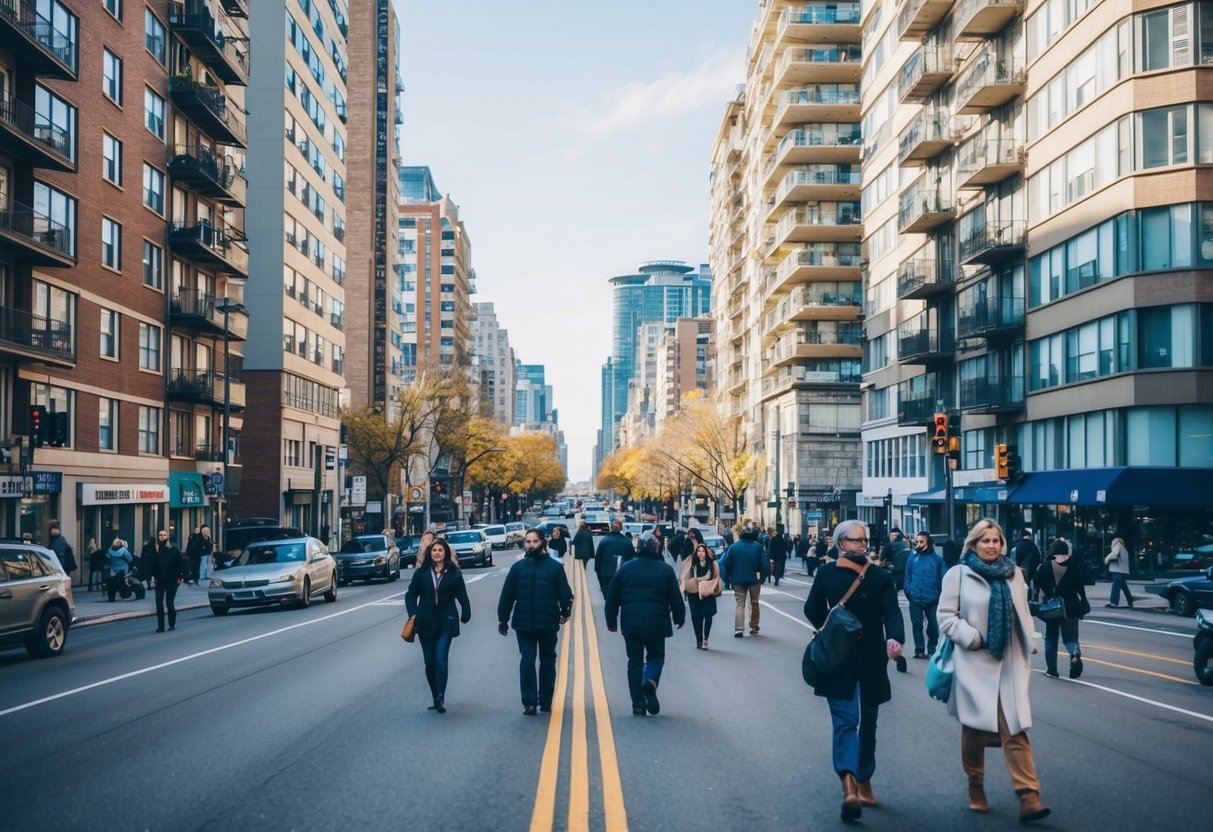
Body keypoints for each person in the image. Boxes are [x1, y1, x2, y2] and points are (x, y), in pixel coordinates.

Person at [938, 518, 1050, 823]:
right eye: (985, 540)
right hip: (974, 663)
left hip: (1010, 662)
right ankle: (975, 785)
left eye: (996, 540)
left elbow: (1024, 613)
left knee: (1016, 729)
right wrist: (971, 637)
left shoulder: (1014, 574)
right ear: (974, 544)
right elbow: (946, 617)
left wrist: (1032, 640)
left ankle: (1028, 795)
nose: (991, 545)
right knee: (974, 730)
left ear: (1002, 544)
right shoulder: (959, 574)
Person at [804, 520, 905, 821]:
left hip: (872, 659)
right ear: (840, 543)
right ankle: (849, 784)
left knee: (869, 723)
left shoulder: (880, 576)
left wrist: (895, 637)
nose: (862, 545)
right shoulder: (826, 573)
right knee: (846, 721)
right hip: (839, 660)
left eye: (864, 540)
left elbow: (892, 611)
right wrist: (832, 630)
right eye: (855, 540)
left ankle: (864, 778)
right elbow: (812, 609)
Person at [604, 529, 686, 716]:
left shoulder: (625, 569)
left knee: (634, 661)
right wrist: (679, 617)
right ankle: (650, 680)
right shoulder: (665, 570)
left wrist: (611, 620)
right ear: (657, 549)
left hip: (631, 623)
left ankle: (638, 704)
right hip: (657, 622)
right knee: (656, 656)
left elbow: (612, 597)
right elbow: (675, 597)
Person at [497, 528, 573, 715]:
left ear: (543, 543)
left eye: (535, 541)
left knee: (546, 659)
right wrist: (503, 619)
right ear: (524, 544)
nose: (531, 545)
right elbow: (507, 595)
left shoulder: (554, 568)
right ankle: (530, 702)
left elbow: (564, 593)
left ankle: (544, 701)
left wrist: (565, 611)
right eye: (528, 542)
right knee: (529, 659)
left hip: (547, 621)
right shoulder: (518, 568)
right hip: (525, 623)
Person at [405, 537, 471, 713]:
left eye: (440, 550)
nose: (437, 553)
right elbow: (410, 594)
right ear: (430, 553)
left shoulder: (454, 573)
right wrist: (413, 613)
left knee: (441, 659)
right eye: (434, 550)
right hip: (425, 622)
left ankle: (441, 696)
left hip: (446, 621)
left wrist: (466, 611)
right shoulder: (421, 573)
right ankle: (435, 695)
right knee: (430, 662)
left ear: (445, 553)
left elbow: (462, 595)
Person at [1035, 538, 1090, 679]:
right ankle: (1074, 654)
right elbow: (1081, 587)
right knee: (1071, 638)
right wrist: (1084, 602)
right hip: (1071, 606)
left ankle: (1052, 670)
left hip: (1052, 607)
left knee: (1051, 638)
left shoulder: (1045, 565)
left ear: (1052, 550)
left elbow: (1037, 584)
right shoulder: (1074, 565)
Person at [720, 520, 768, 637]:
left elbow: (726, 565)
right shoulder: (757, 547)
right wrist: (762, 578)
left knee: (740, 604)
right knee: (754, 603)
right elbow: (765, 564)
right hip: (754, 579)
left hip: (737, 580)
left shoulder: (733, 547)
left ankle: (739, 629)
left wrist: (727, 581)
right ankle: (753, 627)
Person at [903, 532, 944, 659]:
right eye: (917, 542)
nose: (918, 544)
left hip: (932, 598)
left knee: (933, 626)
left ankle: (932, 647)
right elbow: (907, 577)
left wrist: (939, 594)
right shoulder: (912, 559)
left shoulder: (937, 560)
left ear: (928, 543)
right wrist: (909, 591)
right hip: (915, 597)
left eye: (921, 542)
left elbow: (943, 578)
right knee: (917, 625)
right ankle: (919, 649)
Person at [679, 542, 720, 649]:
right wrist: (686, 588)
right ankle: (699, 638)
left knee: (708, 615)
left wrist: (713, 587)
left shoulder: (712, 563)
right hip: (694, 593)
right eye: (699, 551)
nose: (701, 553)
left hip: (708, 592)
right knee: (696, 617)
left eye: (702, 551)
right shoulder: (692, 563)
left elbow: (716, 577)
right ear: (696, 553)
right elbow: (685, 576)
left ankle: (706, 638)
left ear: (706, 552)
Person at [147, 530, 184, 632]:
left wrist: (180, 577)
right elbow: (151, 564)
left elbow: (180, 564)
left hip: (172, 580)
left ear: (167, 537)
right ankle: (161, 626)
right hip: (159, 580)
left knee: (169, 603)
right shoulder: (155, 550)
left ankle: (171, 624)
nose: (162, 536)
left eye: (164, 535)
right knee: (159, 603)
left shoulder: (174, 550)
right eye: (160, 535)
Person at [592, 520, 631, 597]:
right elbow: (631, 560)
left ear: (611, 528)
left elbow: (598, 561)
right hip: (622, 574)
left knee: (608, 596)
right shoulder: (627, 542)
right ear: (621, 528)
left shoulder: (604, 541)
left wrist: (599, 574)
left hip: (607, 574)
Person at [1104, 537, 1134, 608]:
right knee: (1124, 587)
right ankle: (1130, 601)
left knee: (1115, 587)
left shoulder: (1118, 546)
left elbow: (1114, 554)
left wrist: (1106, 559)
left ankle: (1114, 602)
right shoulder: (1124, 549)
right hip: (1123, 570)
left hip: (1117, 569)